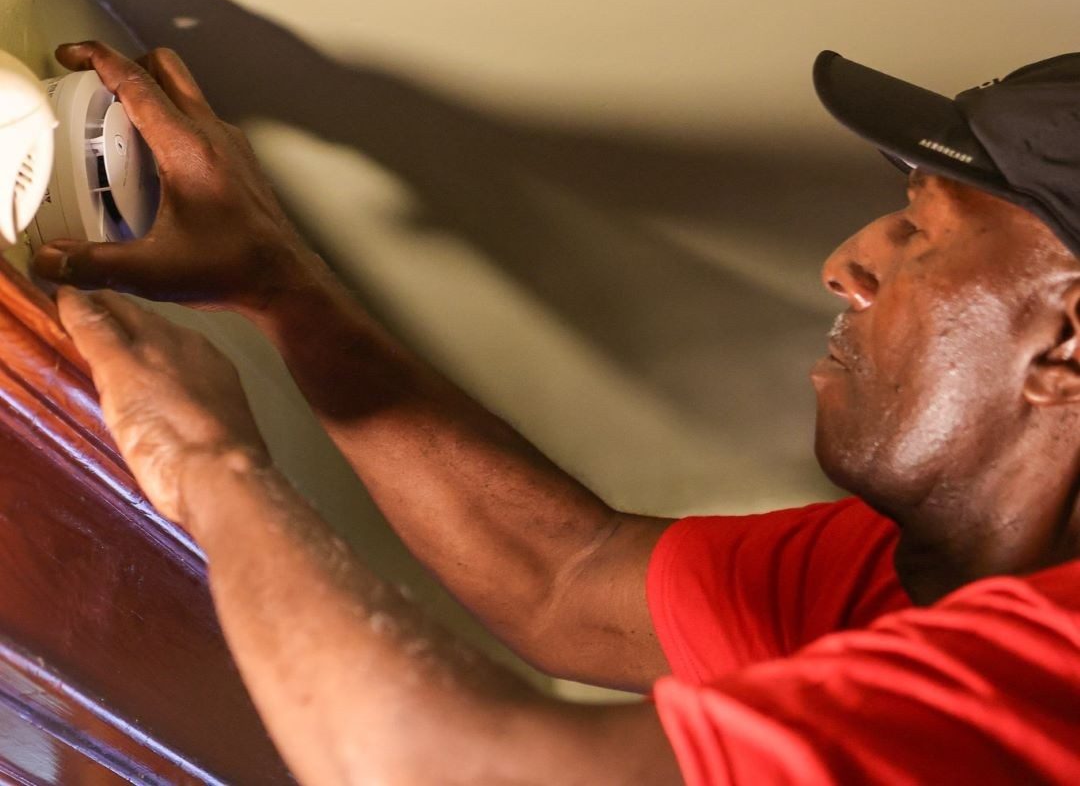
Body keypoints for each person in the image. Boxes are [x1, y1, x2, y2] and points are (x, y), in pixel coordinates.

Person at [33, 40, 1080, 785]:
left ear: (1066, 341)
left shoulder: (1056, 677)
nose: (846, 262)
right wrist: (282, 287)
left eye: (924, 233)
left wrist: (209, 462)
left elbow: (436, 768)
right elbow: (564, 583)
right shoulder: (914, 569)